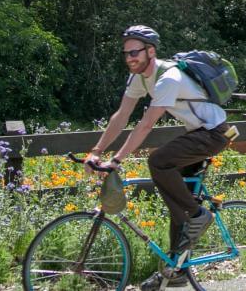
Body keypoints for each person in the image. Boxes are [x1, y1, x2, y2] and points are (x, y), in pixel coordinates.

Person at [85, 25, 232, 289]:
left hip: (212, 133)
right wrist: (96, 151)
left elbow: (146, 124)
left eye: (134, 52)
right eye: (126, 53)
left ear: (150, 51)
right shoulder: (139, 78)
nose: (129, 58)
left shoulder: (169, 78)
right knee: (178, 206)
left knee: (158, 161)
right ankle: (176, 270)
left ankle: (199, 215)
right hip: (197, 134)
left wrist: (116, 160)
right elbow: (121, 117)